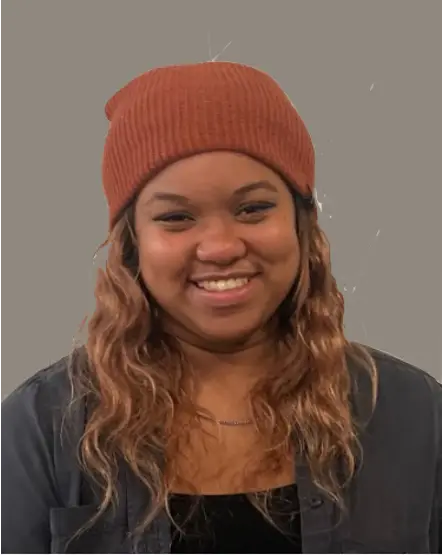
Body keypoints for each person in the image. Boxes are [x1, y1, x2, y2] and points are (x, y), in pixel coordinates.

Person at [0, 61, 441, 555]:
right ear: (132, 245)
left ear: (302, 225)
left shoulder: (415, 413)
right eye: (176, 217)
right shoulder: (40, 426)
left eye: (253, 208)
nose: (220, 246)